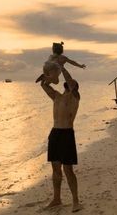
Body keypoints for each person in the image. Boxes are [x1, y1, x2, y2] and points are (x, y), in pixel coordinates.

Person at [40, 66, 82, 213]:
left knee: (68, 169)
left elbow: (69, 81)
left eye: (72, 83)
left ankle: (75, 201)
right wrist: (47, 76)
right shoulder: (57, 97)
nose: (70, 84)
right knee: (56, 169)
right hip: (55, 133)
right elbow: (44, 86)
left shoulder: (75, 97)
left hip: (67, 134)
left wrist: (62, 66)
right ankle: (57, 198)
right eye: (69, 84)